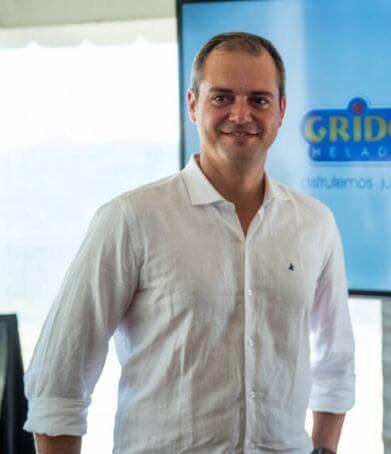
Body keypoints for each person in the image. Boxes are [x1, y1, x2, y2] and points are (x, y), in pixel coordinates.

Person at [24, 32, 354, 454]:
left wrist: (324, 449)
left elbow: (335, 362)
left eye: (258, 100)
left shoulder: (315, 223)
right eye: (222, 97)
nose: (241, 114)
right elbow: (59, 377)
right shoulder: (131, 218)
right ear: (193, 104)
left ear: (281, 110)